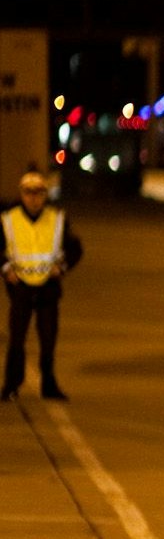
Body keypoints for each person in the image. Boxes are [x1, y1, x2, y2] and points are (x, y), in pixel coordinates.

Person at [3, 169, 83, 401]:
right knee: (17, 339)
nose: (33, 198)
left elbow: (76, 249)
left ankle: (49, 385)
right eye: (28, 192)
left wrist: (63, 267)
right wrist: (6, 269)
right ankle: (11, 384)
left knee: (48, 340)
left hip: (48, 287)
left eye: (38, 193)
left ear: (45, 195)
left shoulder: (57, 219)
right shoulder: (9, 220)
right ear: (21, 194)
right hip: (21, 288)